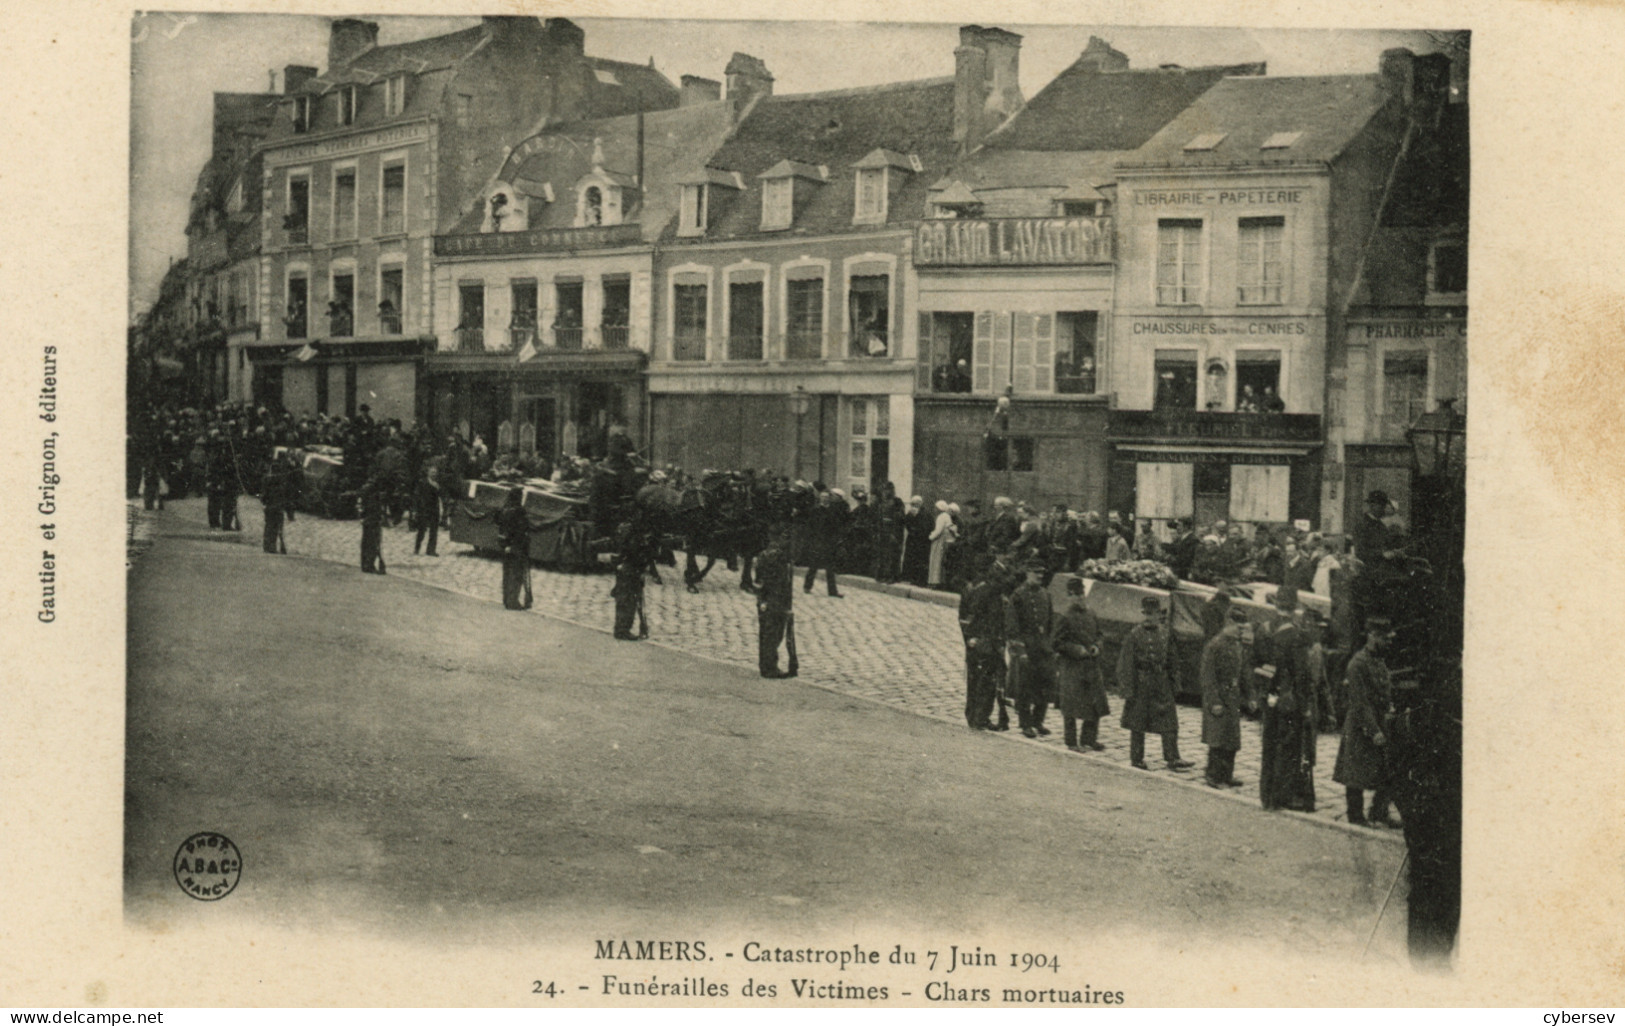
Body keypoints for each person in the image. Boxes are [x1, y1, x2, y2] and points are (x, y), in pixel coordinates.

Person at [1256, 586, 1318, 812]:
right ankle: (1280, 796)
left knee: (1268, 745)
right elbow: (1301, 674)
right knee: (1287, 748)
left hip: (1269, 697)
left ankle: (1266, 795)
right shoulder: (1296, 635)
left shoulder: (1262, 629)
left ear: (1276, 605)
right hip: (1289, 702)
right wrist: (1305, 706)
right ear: (1294, 608)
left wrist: (1266, 693)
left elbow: (1258, 665)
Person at [1334, 617, 1399, 827]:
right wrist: (1373, 730)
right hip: (1361, 726)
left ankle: (1378, 812)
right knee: (1356, 774)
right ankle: (1355, 815)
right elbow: (1360, 702)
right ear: (1372, 636)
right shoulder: (1357, 664)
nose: (1388, 642)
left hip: (1380, 722)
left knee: (1386, 770)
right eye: (1384, 638)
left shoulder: (1379, 661)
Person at [1117, 596, 1194, 771]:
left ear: (1159, 614)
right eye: (1147, 614)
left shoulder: (1165, 633)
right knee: (1138, 723)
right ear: (1143, 614)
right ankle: (1136, 758)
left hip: (1161, 682)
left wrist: (1175, 683)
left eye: (1154, 614)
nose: (1150, 617)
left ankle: (1173, 757)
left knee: (1169, 721)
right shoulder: (1134, 635)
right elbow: (1125, 664)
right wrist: (1127, 689)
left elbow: (1172, 660)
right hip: (1141, 684)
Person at [1051, 576, 1108, 752]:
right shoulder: (1065, 617)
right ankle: (1072, 742)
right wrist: (1076, 650)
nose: (1079, 598)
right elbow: (1057, 642)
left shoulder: (1091, 613)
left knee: (1094, 703)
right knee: (1071, 707)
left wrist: (1096, 647)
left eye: (1081, 594)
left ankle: (1089, 739)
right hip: (1072, 667)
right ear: (1069, 597)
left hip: (1091, 666)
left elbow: (1099, 635)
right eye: (1075, 595)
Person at [1201, 608, 1251, 788]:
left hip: (1232, 697)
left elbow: (1244, 672)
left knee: (1231, 738)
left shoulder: (1237, 645)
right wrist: (1214, 702)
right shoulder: (1214, 645)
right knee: (1217, 738)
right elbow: (1208, 676)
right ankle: (1212, 775)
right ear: (1228, 624)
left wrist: (1250, 696)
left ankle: (1227, 774)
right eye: (1238, 628)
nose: (1241, 631)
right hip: (1219, 697)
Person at [1005, 559, 1055, 738]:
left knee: (1045, 686)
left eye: (1042, 573)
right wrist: (1019, 650)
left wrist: (1050, 645)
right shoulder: (1018, 595)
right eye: (1036, 573)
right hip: (1026, 647)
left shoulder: (1045, 594)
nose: (1040, 576)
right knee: (1024, 688)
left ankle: (1038, 721)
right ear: (1028, 574)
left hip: (1043, 647)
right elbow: (1012, 624)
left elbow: (1050, 622)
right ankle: (1025, 724)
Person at [958, 556, 1007, 730]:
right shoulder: (980, 591)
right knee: (979, 681)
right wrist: (971, 640)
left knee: (987, 681)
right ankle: (975, 717)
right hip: (980, 642)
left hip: (989, 642)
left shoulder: (991, 591)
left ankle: (981, 716)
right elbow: (968, 618)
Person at [754, 525, 796, 678]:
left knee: (768, 633)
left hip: (768, 599)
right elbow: (778, 582)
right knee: (774, 633)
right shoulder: (777, 556)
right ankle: (769, 668)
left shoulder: (765, 554)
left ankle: (767, 666)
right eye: (786, 538)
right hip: (775, 599)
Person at [802, 488, 846, 597]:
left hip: (829, 542)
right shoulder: (815, 510)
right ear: (820, 498)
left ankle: (833, 591)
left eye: (827, 497)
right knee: (813, 566)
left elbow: (837, 526)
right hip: (817, 541)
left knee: (830, 568)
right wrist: (810, 541)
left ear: (830, 499)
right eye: (823, 497)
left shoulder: (833, 511)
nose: (825, 499)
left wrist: (836, 540)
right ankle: (807, 586)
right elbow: (809, 527)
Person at [494, 486, 531, 609]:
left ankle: (506, 599)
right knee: (516, 574)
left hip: (505, 545)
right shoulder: (519, 511)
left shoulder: (505, 508)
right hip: (517, 546)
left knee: (507, 573)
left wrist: (506, 544)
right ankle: (513, 601)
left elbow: (499, 524)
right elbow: (520, 530)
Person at [872, 481, 905, 584]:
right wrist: (877, 531)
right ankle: (882, 575)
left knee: (893, 555)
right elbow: (878, 518)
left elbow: (900, 518)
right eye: (884, 490)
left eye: (887, 490)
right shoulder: (880, 503)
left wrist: (894, 533)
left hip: (893, 532)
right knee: (882, 554)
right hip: (882, 532)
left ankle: (892, 576)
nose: (885, 492)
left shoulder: (898, 502)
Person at [359, 477, 387, 575]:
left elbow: (361, 507)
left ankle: (365, 564)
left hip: (368, 520)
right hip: (373, 521)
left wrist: (362, 517)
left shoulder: (365, 493)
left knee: (366, 542)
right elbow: (377, 509)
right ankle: (370, 565)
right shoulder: (374, 496)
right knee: (373, 543)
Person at [413, 459, 441, 556]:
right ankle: (417, 548)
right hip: (424, 509)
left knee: (434, 530)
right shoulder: (423, 483)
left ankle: (431, 550)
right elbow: (417, 495)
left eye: (435, 473)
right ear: (428, 472)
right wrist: (417, 508)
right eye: (432, 472)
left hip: (434, 509)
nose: (434, 474)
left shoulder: (437, 484)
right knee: (422, 530)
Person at [928, 500, 957, 588]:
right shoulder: (947, 516)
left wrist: (930, 537)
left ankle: (934, 582)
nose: (934, 509)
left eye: (936, 508)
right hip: (943, 542)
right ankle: (939, 582)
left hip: (938, 542)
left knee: (935, 562)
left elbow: (938, 530)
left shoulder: (941, 517)